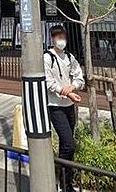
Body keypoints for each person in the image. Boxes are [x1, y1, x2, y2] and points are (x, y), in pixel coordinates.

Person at [44, 25, 84, 192]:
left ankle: (66, 183)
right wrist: (65, 92)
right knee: (69, 144)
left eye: (63, 37)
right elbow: (48, 82)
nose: (61, 40)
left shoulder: (69, 57)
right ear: (52, 39)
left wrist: (72, 87)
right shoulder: (47, 57)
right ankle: (63, 181)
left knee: (66, 144)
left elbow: (79, 77)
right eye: (58, 37)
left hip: (69, 106)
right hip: (55, 106)